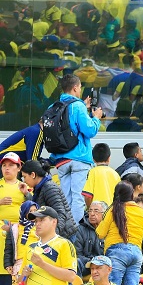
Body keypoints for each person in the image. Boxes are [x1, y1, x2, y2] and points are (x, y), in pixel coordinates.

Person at [48, 73, 103, 224]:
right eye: (79, 87)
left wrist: (83, 108)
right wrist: (96, 117)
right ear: (75, 88)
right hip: (79, 158)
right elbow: (89, 130)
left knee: (65, 200)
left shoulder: (54, 106)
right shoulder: (77, 106)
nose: (80, 90)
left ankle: (65, 231)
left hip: (61, 159)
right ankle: (76, 235)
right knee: (78, 198)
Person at [95, 181, 143, 285]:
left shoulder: (113, 209)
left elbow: (100, 233)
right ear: (132, 194)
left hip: (116, 252)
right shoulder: (141, 212)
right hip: (136, 253)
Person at [17, 206, 77, 285]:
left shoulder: (64, 244)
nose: (37, 224)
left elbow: (71, 276)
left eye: (42, 220)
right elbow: (20, 281)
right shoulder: (31, 247)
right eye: (36, 221)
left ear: (54, 222)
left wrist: (42, 264)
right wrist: (24, 275)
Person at [19, 160, 77, 239]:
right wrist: (26, 194)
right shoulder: (41, 187)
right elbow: (39, 204)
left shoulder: (49, 188)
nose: (24, 181)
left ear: (33, 175)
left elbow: (60, 214)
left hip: (65, 235)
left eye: (25, 177)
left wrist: (52, 236)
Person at [3, 201, 39, 280]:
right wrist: (8, 264)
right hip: (19, 263)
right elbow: (8, 248)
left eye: (35, 211)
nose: (33, 213)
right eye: (30, 211)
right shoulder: (15, 228)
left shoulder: (40, 227)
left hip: (36, 262)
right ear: (24, 213)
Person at [73, 201, 107, 278]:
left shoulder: (109, 230)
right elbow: (77, 253)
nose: (92, 214)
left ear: (104, 214)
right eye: (90, 210)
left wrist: (99, 262)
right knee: (75, 262)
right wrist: (92, 262)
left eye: (96, 211)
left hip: (103, 264)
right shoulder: (81, 229)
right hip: (86, 264)